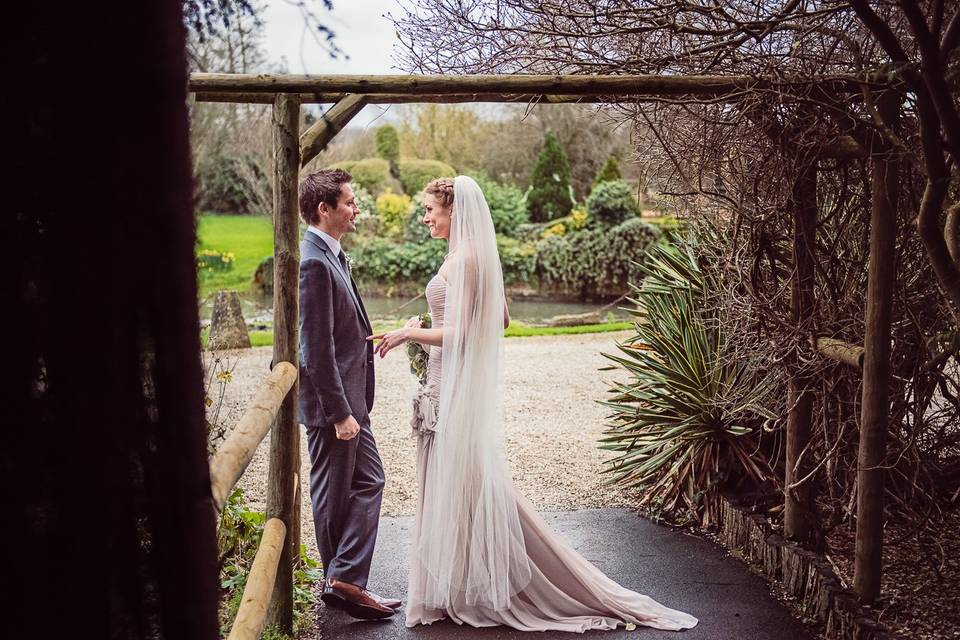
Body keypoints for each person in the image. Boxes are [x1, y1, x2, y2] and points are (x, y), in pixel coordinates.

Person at [369, 176, 699, 632]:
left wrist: (411, 332)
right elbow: (499, 318)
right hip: (447, 381)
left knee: (468, 485)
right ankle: (459, 586)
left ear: (454, 212)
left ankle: (491, 587)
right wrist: (427, 330)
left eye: (430, 209)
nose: (425, 217)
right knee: (463, 485)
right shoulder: (471, 257)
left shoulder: (463, 260)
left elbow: (469, 332)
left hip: (451, 388)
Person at [297, 169, 401, 620]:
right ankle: (341, 582)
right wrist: (339, 412)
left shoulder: (332, 255)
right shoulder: (313, 261)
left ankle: (343, 580)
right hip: (333, 407)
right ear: (325, 209)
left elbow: (338, 332)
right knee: (332, 492)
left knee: (367, 480)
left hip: (352, 399)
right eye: (350, 202)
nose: (356, 209)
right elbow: (314, 349)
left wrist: (365, 338)